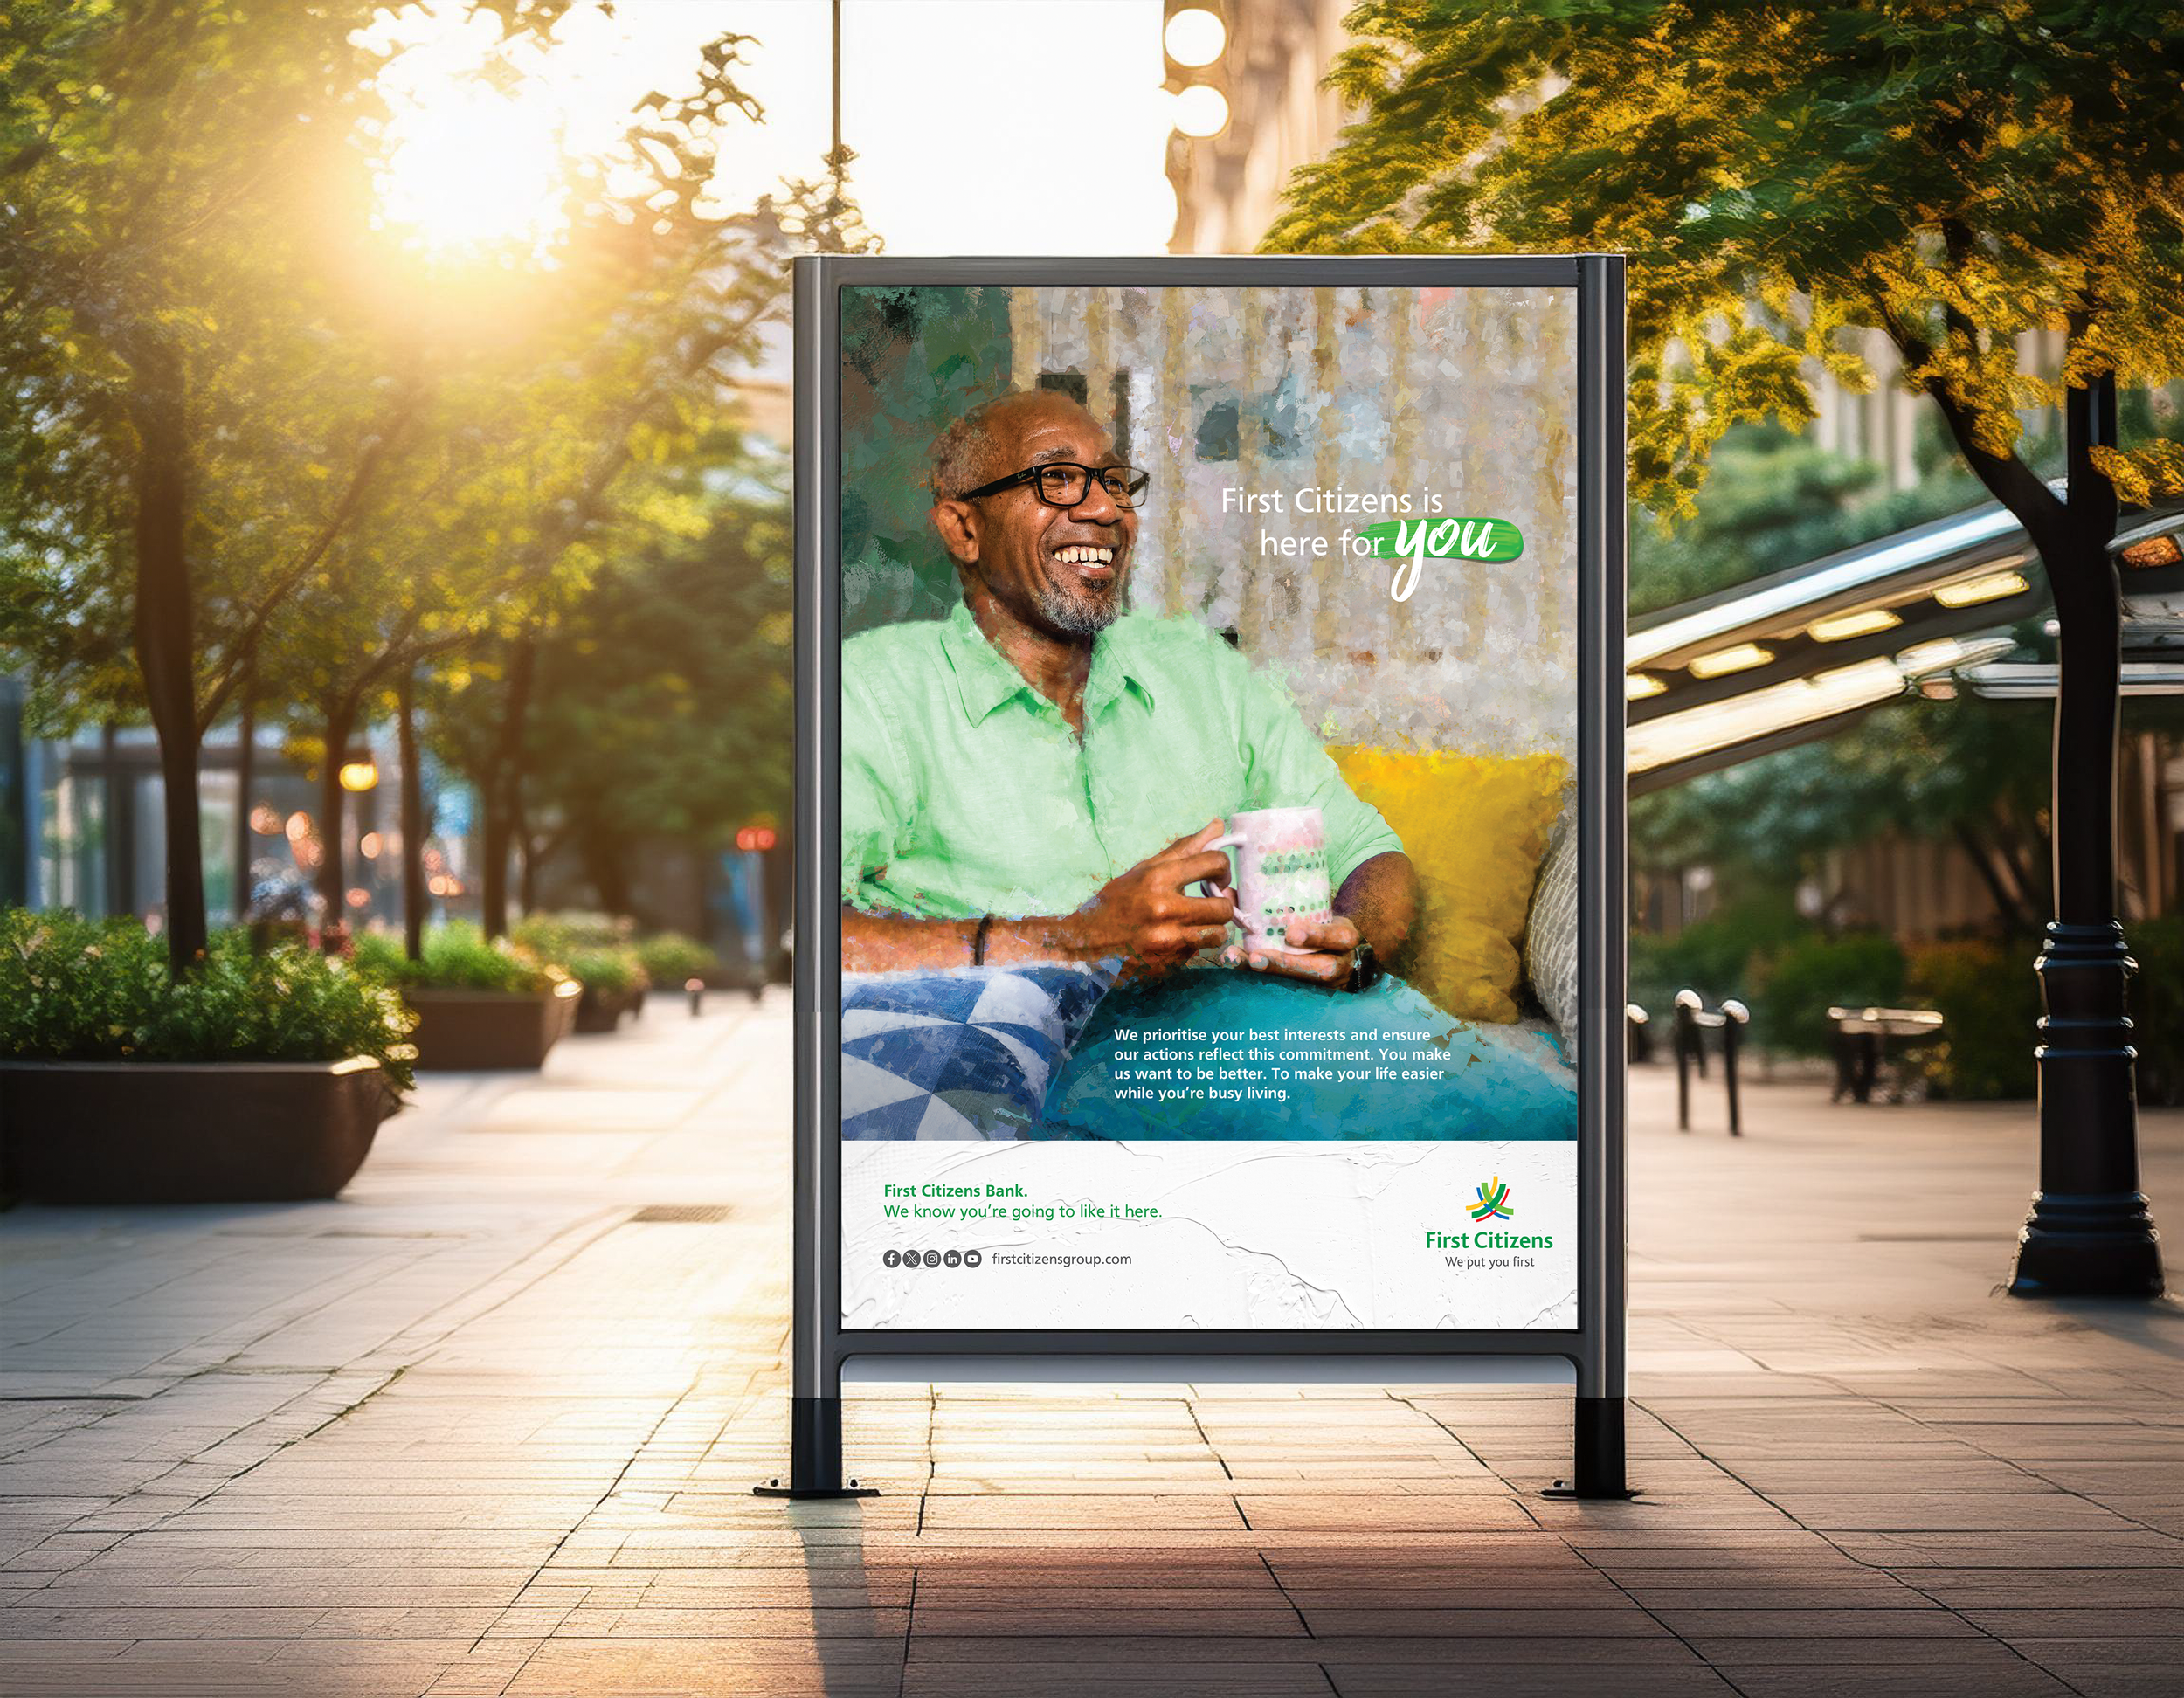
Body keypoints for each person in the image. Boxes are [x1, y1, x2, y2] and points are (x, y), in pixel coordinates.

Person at [841, 388, 1418, 989]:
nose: (1107, 510)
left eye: (1117, 485)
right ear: (964, 529)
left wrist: (1354, 946)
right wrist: (1074, 942)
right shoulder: (872, 693)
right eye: (1058, 479)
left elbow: (1373, 855)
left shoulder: (1203, 670)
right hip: (1031, 1068)